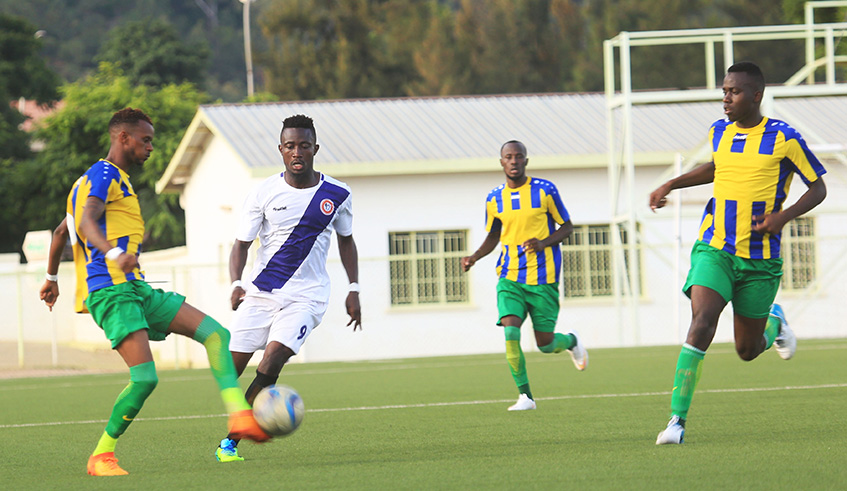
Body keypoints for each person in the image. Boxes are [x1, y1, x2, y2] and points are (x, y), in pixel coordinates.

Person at [38, 108, 270, 476]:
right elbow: (84, 221)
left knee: (216, 334)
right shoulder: (103, 175)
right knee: (145, 378)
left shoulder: (98, 181)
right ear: (123, 138)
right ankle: (102, 456)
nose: (150, 147)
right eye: (145, 140)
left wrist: (51, 277)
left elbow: (61, 232)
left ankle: (241, 417)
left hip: (135, 288)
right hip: (112, 292)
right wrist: (114, 253)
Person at [649, 61, 827, 444]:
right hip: (716, 248)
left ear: (757, 95)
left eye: (734, 92)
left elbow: (818, 188)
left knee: (747, 350)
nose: (725, 98)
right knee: (702, 321)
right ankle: (676, 422)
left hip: (761, 260)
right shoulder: (719, 131)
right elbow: (717, 168)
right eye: (724, 91)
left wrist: (782, 216)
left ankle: (774, 323)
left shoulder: (785, 138)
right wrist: (671, 183)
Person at [215, 114, 361, 462]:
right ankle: (248, 414)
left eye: (304, 145)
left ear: (315, 149)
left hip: (307, 297)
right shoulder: (263, 192)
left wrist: (354, 288)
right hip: (261, 293)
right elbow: (241, 244)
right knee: (228, 370)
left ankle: (231, 440)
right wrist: (236, 283)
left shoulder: (337, 193)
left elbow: (346, 241)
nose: (297, 151)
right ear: (281, 149)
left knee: (275, 356)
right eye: (290, 145)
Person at [461, 140, 587, 412]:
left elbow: (567, 227)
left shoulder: (545, 190)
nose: (514, 161)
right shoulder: (494, 198)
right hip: (510, 277)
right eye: (509, 157)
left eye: (519, 156)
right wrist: (474, 257)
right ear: (502, 162)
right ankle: (526, 397)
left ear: (526, 161)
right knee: (510, 331)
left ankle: (571, 341)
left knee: (545, 344)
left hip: (544, 279)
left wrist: (544, 242)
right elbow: (494, 235)